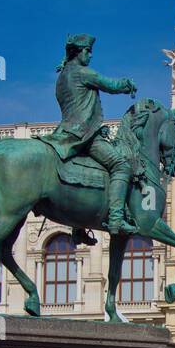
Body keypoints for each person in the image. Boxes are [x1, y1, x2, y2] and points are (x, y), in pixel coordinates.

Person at [40, 34, 138, 235]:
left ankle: (78, 227)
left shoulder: (61, 77)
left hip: (64, 133)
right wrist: (127, 84)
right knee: (120, 165)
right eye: (88, 51)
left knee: (82, 174)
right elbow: (111, 85)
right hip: (84, 134)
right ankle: (116, 219)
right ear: (79, 52)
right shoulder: (81, 73)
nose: (90, 56)